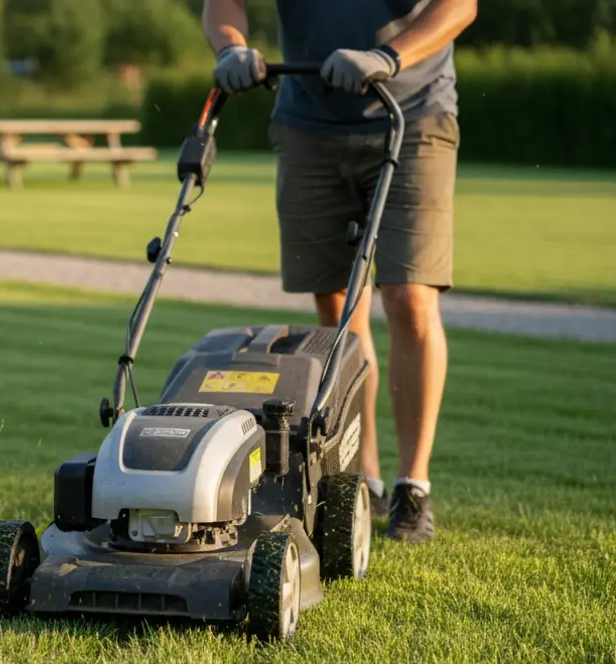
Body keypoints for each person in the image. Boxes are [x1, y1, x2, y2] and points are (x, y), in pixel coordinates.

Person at [201, 0, 478, 545]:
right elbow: (223, 5)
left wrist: (387, 56)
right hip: (308, 122)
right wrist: (232, 46)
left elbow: (459, 6)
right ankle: (362, 478)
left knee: (409, 297)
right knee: (338, 309)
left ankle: (412, 485)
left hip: (413, 114)